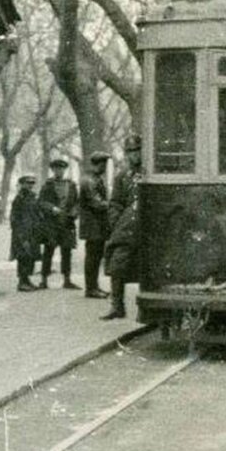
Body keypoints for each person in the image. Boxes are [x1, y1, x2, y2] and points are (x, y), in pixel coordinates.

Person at [102, 135, 142, 320]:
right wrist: (116, 222)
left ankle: (146, 308)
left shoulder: (153, 172)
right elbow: (116, 202)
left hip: (148, 226)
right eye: (131, 152)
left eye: (137, 150)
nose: (135, 155)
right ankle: (117, 306)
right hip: (126, 228)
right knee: (117, 264)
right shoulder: (122, 176)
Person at [38, 158, 80, 290]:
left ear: (64, 170)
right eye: (56, 169)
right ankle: (44, 280)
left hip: (67, 223)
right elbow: (41, 202)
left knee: (67, 252)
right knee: (48, 251)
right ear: (53, 170)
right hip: (51, 223)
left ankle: (67, 280)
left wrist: (74, 211)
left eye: (61, 169)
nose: (59, 171)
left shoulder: (72, 185)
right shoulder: (48, 185)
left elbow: (77, 202)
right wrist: (52, 208)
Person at [80, 152, 111, 299]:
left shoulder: (95, 178)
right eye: (102, 164)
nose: (104, 167)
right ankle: (91, 288)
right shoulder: (89, 181)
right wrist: (112, 204)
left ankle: (93, 286)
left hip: (97, 224)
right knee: (92, 257)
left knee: (96, 256)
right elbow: (96, 203)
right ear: (96, 164)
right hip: (93, 224)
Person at [10, 175, 42, 292]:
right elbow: (14, 218)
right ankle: (22, 282)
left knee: (31, 257)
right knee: (23, 256)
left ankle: (27, 280)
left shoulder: (33, 197)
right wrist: (20, 234)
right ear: (22, 184)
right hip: (22, 232)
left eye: (32, 183)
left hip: (33, 231)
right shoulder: (19, 199)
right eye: (28, 183)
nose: (30, 185)